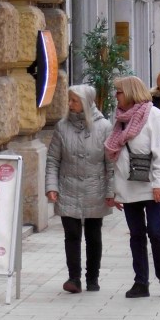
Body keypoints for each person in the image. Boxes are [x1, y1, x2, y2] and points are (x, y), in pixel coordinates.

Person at [45, 84, 114, 293]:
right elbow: (53, 160)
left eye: (74, 100)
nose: (70, 104)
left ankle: (93, 278)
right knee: (72, 234)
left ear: (85, 103)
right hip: (68, 187)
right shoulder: (62, 127)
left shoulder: (103, 127)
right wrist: (51, 186)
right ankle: (73, 278)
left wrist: (111, 191)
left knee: (94, 235)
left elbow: (110, 163)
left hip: (95, 187)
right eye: (70, 99)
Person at [104, 75, 160, 298]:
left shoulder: (154, 116)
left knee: (156, 231)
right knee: (136, 234)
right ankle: (141, 282)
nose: (115, 96)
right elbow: (114, 158)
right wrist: (114, 191)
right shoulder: (121, 118)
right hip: (128, 186)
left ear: (129, 92)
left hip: (152, 185)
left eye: (118, 92)